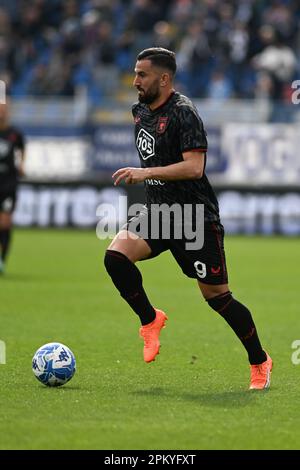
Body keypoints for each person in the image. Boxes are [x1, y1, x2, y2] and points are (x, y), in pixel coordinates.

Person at [104, 47, 272, 390]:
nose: (135, 81)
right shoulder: (139, 111)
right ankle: (150, 320)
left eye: (142, 75)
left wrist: (143, 173)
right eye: (135, 73)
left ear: (164, 79)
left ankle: (260, 360)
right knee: (115, 257)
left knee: (218, 298)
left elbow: (195, 168)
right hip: (159, 213)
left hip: (195, 218)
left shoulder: (184, 113)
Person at [0, 101, 25, 274]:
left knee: (5, 222)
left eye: (4, 109)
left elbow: (22, 149)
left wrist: (22, 164)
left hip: (9, 183)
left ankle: (2, 260)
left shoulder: (14, 134)